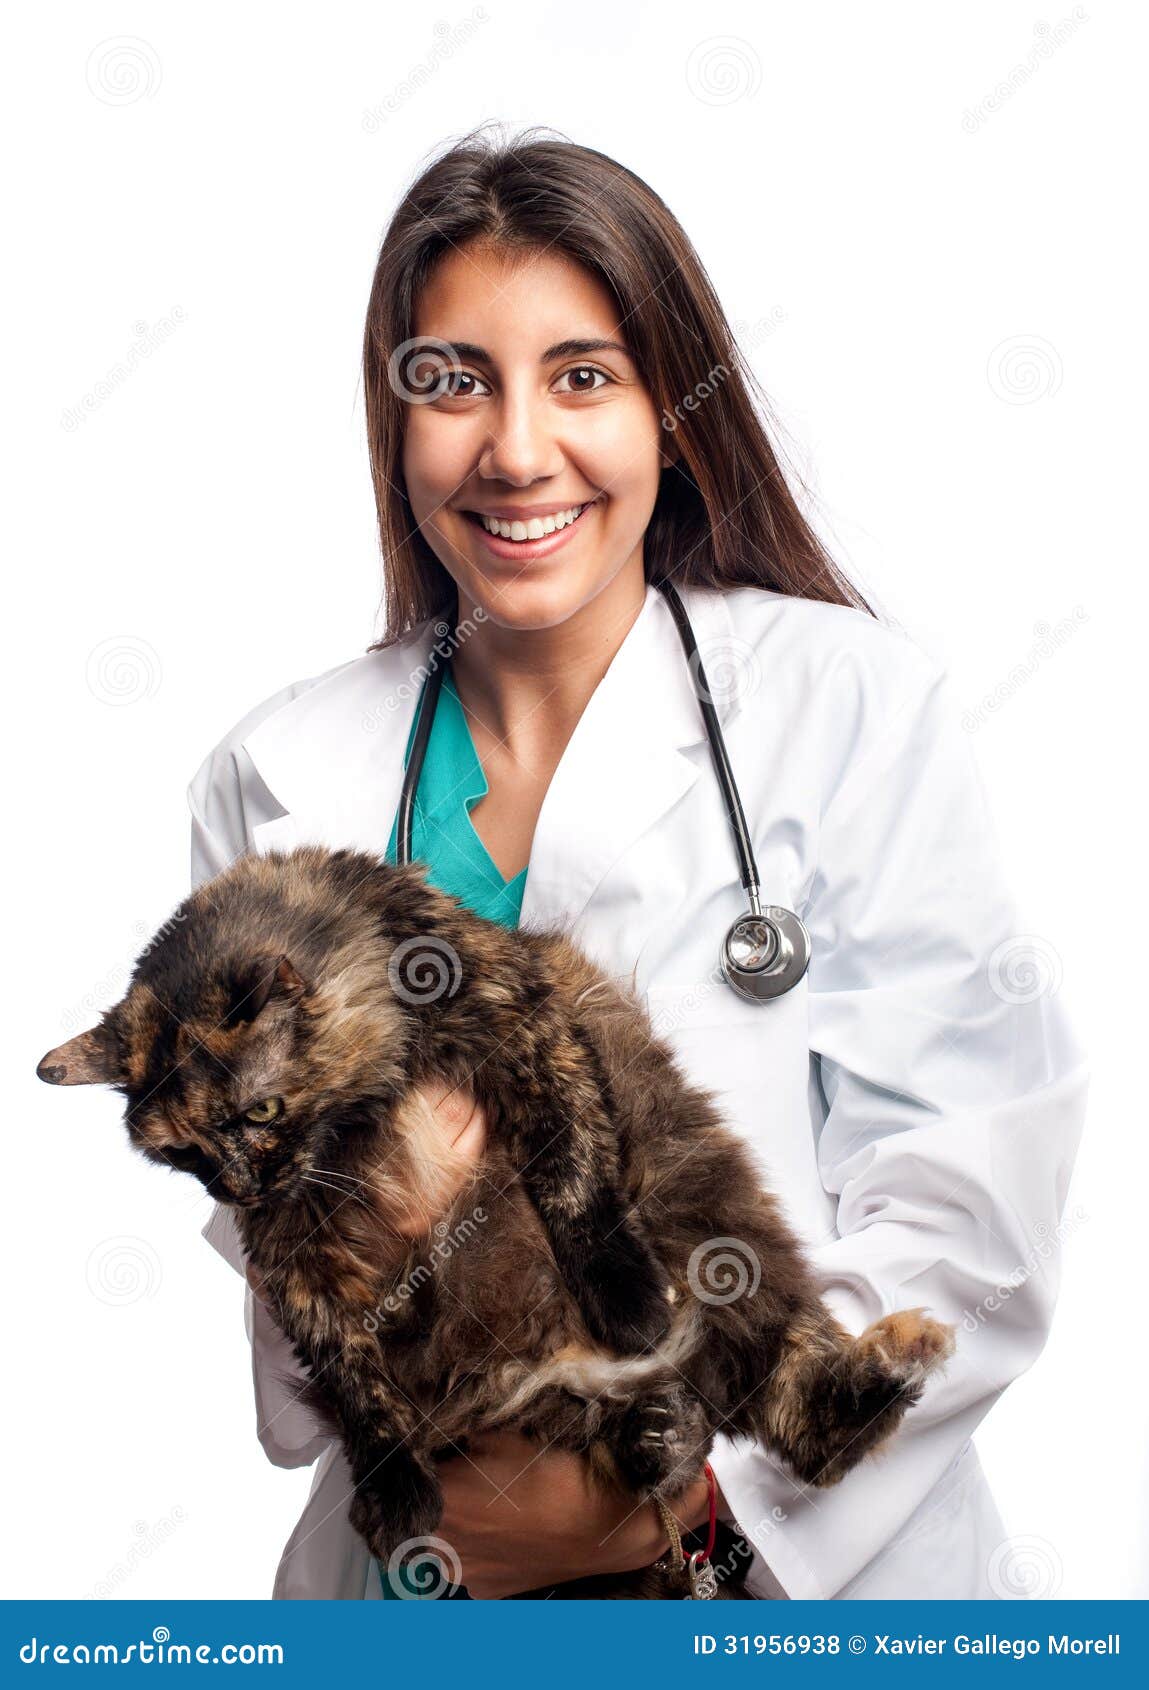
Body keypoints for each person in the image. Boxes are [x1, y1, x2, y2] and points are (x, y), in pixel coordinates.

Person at [190, 125, 1088, 1601]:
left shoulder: (842, 708)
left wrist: (695, 1513)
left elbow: (968, 1206)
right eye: (452, 381)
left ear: (671, 410)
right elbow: (280, 1243)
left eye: (582, 375)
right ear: (392, 417)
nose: (516, 448)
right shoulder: (277, 781)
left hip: (790, 1573)